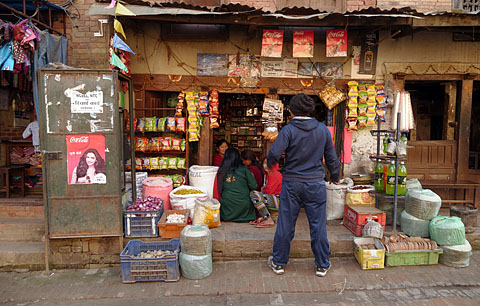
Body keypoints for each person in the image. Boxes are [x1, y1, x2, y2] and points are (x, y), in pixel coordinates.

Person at [266, 93, 340, 277]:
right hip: (315, 184)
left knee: (285, 224)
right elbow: (332, 158)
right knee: (318, 226)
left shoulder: (288, 130)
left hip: (292, 184)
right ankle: (322, 265)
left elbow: (274, 152)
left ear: (291, 111)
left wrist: (270, 164)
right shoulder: (322, 130)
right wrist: (335, 176)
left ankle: (279, 263)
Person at [213, 148, 257, 222]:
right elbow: (254, 186)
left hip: (227, 210)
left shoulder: (221, 171)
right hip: (244, 209)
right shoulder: (244, 169)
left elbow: (219, 190)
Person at [249, 158, 282, 228]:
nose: (266, 165)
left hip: (280, 200)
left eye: (268, 163)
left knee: (254, 194)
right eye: (264, 163)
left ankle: (268, 219)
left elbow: (269, 192)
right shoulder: (267, 175)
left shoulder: (275, 174)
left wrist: (262, 191)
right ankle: (265, 217)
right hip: (275, 199)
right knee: (257, 195)